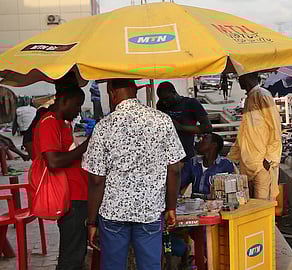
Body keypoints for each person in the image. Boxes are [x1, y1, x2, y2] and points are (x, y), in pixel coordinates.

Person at [84, 79, 185, 270]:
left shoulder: (104, 127)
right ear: (135, 91)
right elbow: (175, 168)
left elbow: (96, 180)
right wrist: (171, 208)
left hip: (113, 213)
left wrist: (91, 222)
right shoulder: (162, 120)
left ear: (112, 93)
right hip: (150, 211)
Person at [32, 85, 90, 270]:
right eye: (76, 105)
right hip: (70, 197)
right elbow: (54, 161)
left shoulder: (62, 123)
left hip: (77, 194)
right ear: (63, 101)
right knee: (72, 256)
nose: (78, 111)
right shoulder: (49, 122)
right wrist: (86, 146)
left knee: (77, 251)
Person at [228, 72, 282, 201]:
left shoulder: (262, 95)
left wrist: (269, 158)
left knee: (261, 205)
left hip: (261, 163)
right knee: (249, 205)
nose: (238, 80)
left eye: (239, 77)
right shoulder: (249, 98)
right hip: (247, 162)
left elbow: (275, 128)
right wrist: (230, 158)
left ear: (246, 78)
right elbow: (244, 133)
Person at [156, 81, 212, 161]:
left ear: (174, 92)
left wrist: (180, 127)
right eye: (161, 100)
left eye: (166, 99)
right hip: (167, 155)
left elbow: (207, 127)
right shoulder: (160, 105)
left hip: (186, 154)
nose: (164, 102)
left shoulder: (191, 103)